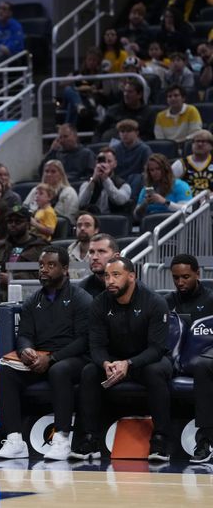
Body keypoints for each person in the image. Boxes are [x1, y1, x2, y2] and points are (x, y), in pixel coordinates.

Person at [0, 246, 92, 460]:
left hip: (73, 358)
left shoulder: (81, 298)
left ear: (65, 269)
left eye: (50, 265)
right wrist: (26, 349)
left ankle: (62, 440)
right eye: (41, 265)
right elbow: (25, 334)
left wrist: (53, 358)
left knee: (59, 370)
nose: (43, 270)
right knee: (5, 373)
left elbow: (85, 340)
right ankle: (15, 440)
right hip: (41, 358)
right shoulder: (33, 301)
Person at [71, 257, 173, 462]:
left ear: (132, 276)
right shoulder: (99, 303)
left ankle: (160, 440)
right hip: (115, 361)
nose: (110, 281)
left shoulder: (154, 302)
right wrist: (105, 363)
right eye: (107, 276)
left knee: (154, 371)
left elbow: (157, 348)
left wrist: (130, 363)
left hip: (148, 360)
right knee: (90, 371)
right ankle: (90, 438)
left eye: (116, 275)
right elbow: (97, 345)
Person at [164, 253, 213, 463]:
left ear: (197, 274)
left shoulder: (211, 300)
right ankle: (159, 441)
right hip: (176, 358)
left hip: (206, 357)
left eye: (186, 277)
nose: (180, 282)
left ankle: (205, 440)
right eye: (176, 278)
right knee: (154, 369)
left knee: (202, 366)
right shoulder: (167, 301)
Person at [0, 205, 49, 289]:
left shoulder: (41, 247)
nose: (13, 225)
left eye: (18, 222)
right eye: (10, 222)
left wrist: (13, 278)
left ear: (28, 224)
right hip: (0, 293)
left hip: (29, 292)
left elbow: (46, 274)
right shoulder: (0, 246)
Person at [133, 153, 193, 220]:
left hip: (175, 225)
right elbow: (136, 216)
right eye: (152, 170)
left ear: (165, 169)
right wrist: (145, 204)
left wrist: (164, 202)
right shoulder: (146, 189)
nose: (155, 172)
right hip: (152, 224)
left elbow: (188, 210)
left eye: (158, 169)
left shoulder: (180, 186)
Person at [78, 148, 133, 215]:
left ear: (115, 164)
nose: (104, 164)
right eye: (101, 161)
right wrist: (93, 180)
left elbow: (120, 200)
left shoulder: (123, 185)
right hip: (93, 221)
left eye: (109, 161)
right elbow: (81, 203)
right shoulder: (87, 183)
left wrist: (105, 179)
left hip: (114, 221)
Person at [110, 119, 153, 185]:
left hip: (136, 183)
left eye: (128, 131)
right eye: (122, 131)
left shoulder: (144, 149)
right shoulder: (114, 149)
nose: (125, 134)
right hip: (118, 183)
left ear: (137, 133)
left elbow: (147, 171)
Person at [172, 129, 213, 195]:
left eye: (203, 141)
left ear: (211, 146)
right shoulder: (180, 164)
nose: (199, 144)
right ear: (192, 144)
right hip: (186, 202)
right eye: (197, 141)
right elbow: (167, 185)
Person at [78, 233, 120, 298]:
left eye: (101, 251)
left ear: (116, 257)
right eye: (91, 252)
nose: (94, 257)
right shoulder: (81, 289)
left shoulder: (131, 287)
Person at [66, 213, 99, 277]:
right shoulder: (68, 253)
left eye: (87, 225)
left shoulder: (102, 253)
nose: (82, 228)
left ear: (96, 230)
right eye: (79, 225)